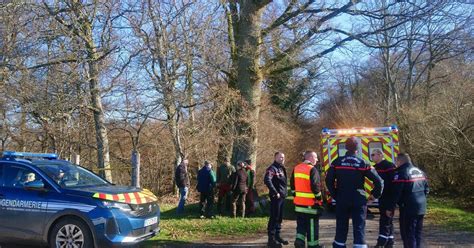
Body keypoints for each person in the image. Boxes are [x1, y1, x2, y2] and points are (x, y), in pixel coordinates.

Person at [325, 137, 383, 248]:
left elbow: (328, 180)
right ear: (357, 149)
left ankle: (339, 245)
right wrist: (374, 195)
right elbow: (379, 181)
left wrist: (335, 195)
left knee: (341, 225)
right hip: (359, 199)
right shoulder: (363, 163)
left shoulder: (336, 162)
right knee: (359, 226)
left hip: (342, 198)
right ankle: (359, 245)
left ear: (346, 147)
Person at [388, 153, 429, 248]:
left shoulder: (402, 173)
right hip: (421, 207)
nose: (396, 164)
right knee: (417, 234)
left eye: (396, 161)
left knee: (408, 235)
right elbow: (426, 189)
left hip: (408, 208)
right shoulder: (420, 172)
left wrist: (391, 207)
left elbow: (396, 193)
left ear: (399, 161)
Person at [290, 151, 324, 248]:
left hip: (299, 205)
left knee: (301, 225)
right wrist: (319, 199)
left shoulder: (296, 168)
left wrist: (296, 196)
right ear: (310, 158)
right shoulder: (312, 169)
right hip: (310, 205)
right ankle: (313, 246)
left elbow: (292, 186)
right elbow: (316, 187)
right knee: (312, 226)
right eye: (316, 157)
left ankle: (299, 241)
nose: (317, 160)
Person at [372, 149, 397, 248]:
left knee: (385, 220)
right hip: (382, 197)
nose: (372, 156)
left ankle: (381, 243)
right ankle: (390, 242)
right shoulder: (376, 167)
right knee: (388, 220)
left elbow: (392, 183)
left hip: (388, 197)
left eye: (373, 154)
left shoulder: (389, 166)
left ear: (380, 155)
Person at [264, 152, 289, 248]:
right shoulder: (272, 168)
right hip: (276, 197)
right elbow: (267, 180)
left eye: (283, 157)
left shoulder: (281, 168)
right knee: (274, 217)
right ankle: (271, 240)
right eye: (280, 157)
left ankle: (277, 236)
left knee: (279, 217)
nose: (282, 159)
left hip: (282, 197)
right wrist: (275, 192)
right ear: (275, 158)